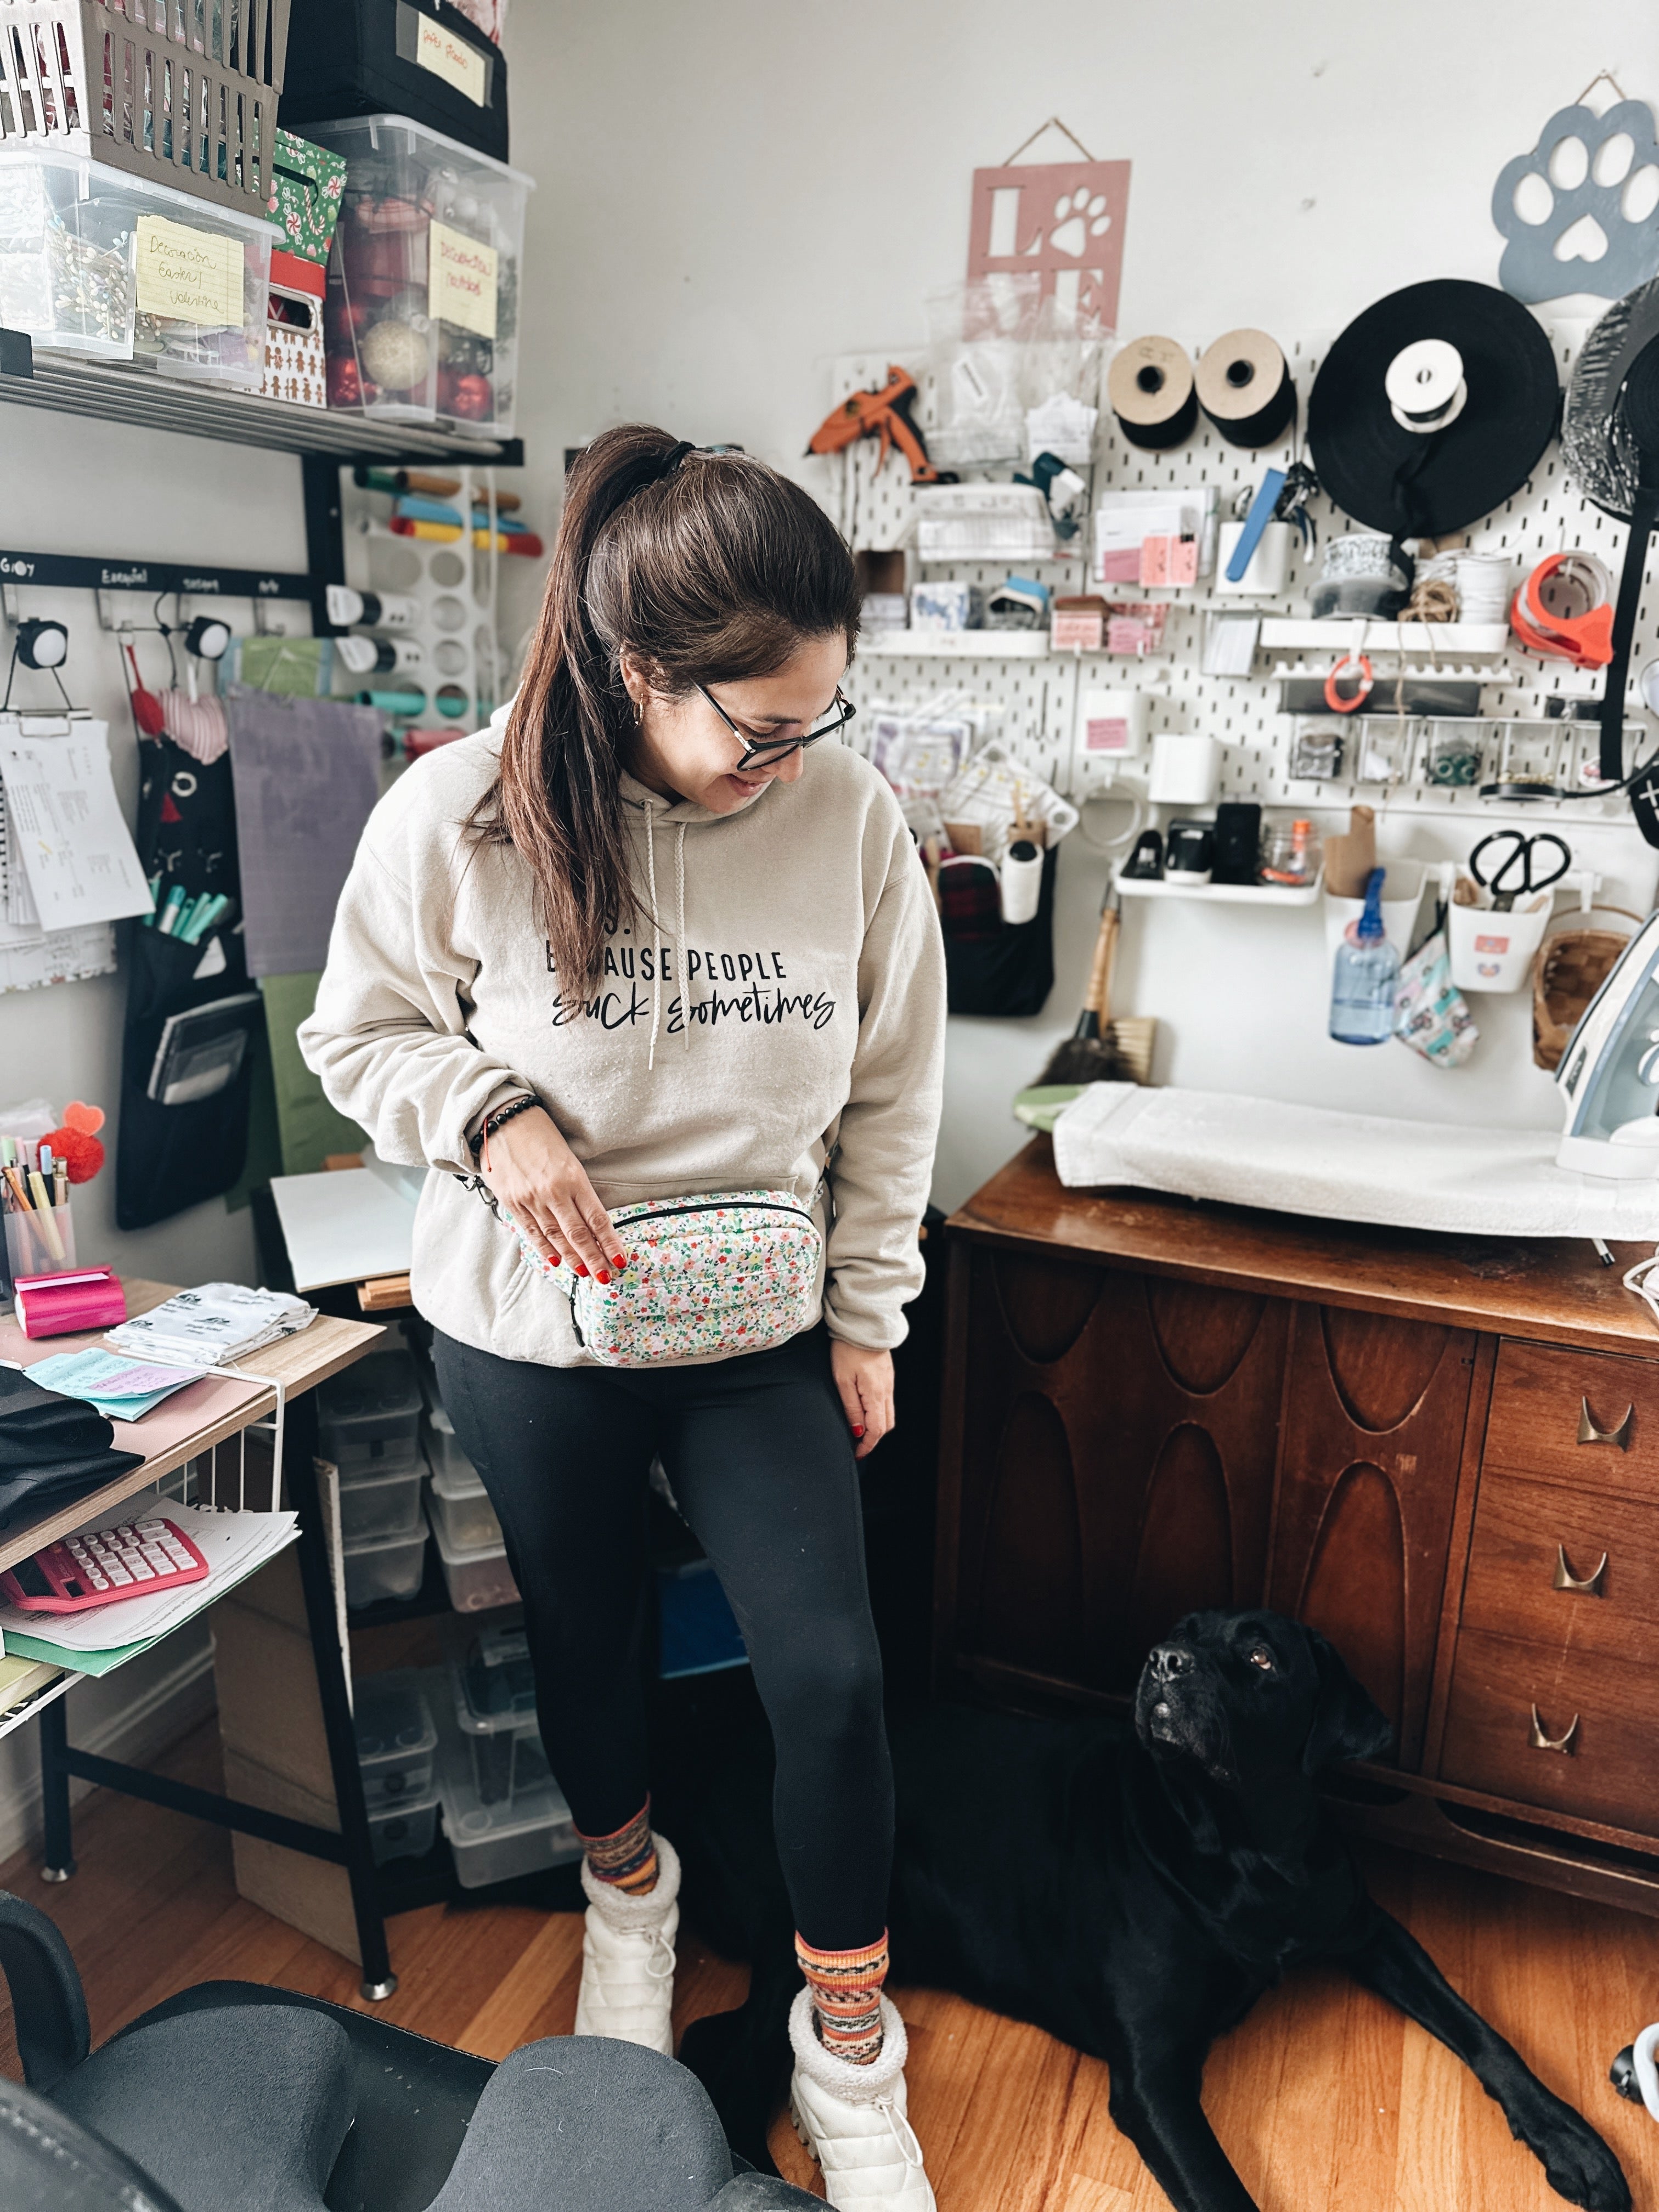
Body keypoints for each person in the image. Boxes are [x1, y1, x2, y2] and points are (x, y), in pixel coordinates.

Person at [301, 426, 945, 2209]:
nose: (791, 758)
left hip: (758, 1331)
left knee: (826, 1676)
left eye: (816, 718)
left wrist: (871, 1318)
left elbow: (894, 1090)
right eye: (757, 727)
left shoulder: (851, 819)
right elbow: (355, 1036)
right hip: (532, 1329)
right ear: (634, 672)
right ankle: (628, 1899)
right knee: (583, 1643)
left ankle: (846, 2041)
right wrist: (491, 1116)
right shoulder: (463, 811)